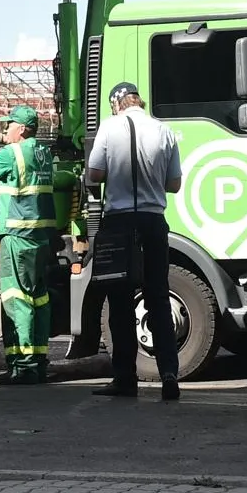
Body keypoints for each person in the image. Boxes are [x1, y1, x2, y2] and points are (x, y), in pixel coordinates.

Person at [85, 81, 183, 401]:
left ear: (117, 104)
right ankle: (169, 373)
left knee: (120, 302)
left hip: (119, 222)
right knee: (157, 297)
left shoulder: (109, 127)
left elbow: (94, 175)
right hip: (154, 222)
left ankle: (125, 378)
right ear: (138, 100)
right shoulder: (163, 131)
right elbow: (175, 183)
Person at [0, 104, 57, 386]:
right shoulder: (42, 152)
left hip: (16, 237)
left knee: (16, 300)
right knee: (38, 299)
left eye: (8, 126)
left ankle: (24, 367)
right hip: (40, 238)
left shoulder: (11, 154)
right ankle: (38, 362)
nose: (5, 130)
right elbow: (19, 149)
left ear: (21, 128)